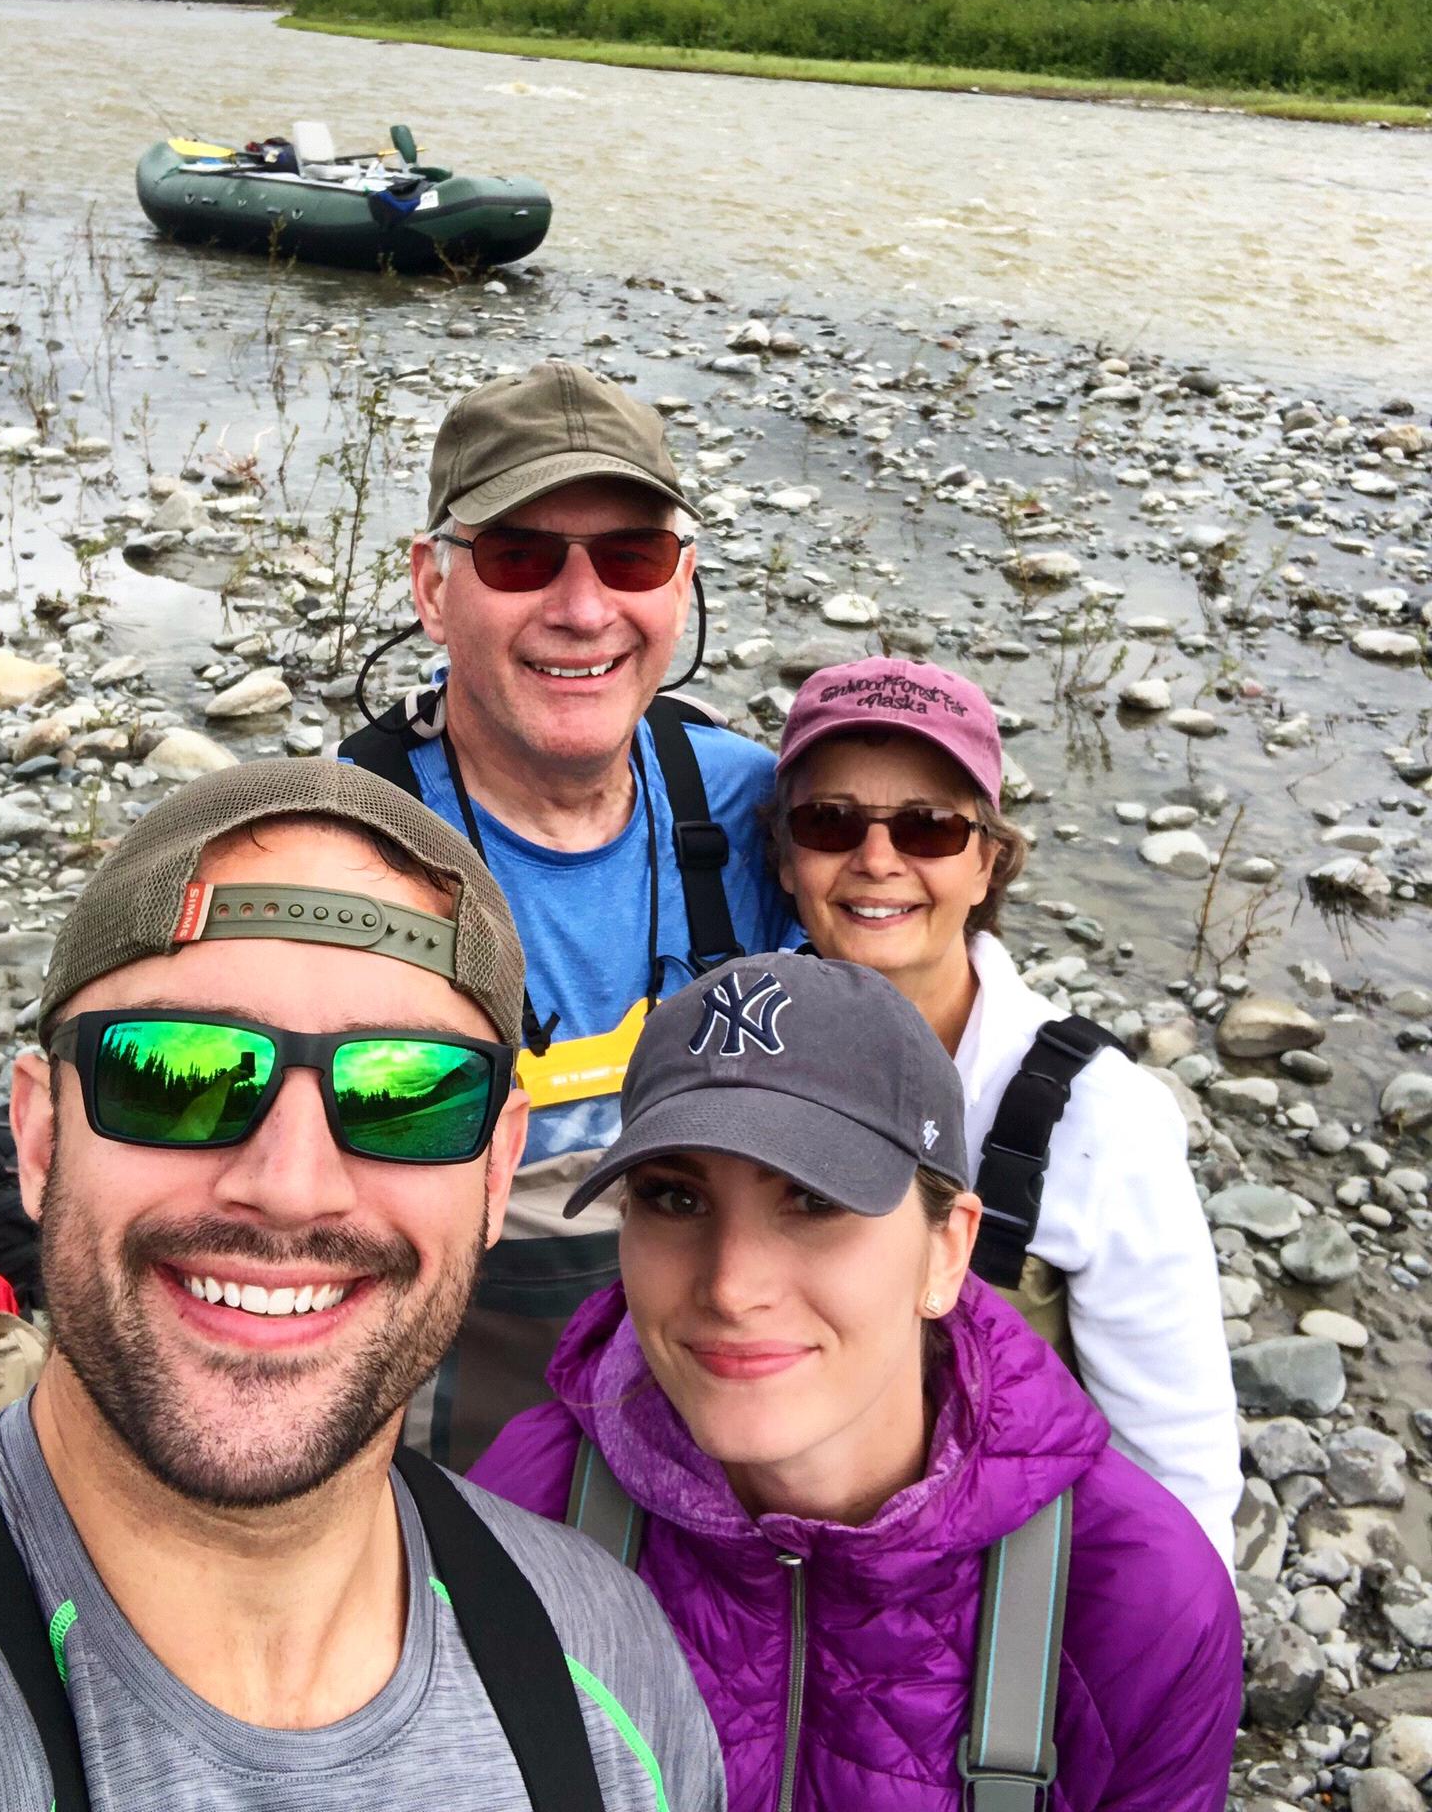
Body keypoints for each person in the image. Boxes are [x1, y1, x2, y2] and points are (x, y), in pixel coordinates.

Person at [0, 760, 724, 1812]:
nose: (291, 1186)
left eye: (408, 1093)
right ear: (37, 1135)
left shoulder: (605, 1665)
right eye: (182, 1072)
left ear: (495, 1170)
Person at [472, 952, 1243, 1812]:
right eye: (676, 1200)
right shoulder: (518, 1514)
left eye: (813, 1201)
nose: (731, 1287)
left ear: (947, 1252)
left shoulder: (1137, 1600)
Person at [339, 359, 798, 1465]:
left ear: (681, 580)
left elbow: (930, 1007)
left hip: (709, 1387)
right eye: (520, 556)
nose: (583, 608)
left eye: (630, 556)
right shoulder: (345, 848)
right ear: (432, 585)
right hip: (441, 1431)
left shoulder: (755, 806)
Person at [765, 655, 1241, 1566]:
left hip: (1004, 1607)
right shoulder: (736, 1067)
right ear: (784, 860)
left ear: (988, 863)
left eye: (930, 829)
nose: (877, 860)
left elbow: (1178, 1469)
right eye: (830, 822)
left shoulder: (1104, 1119)